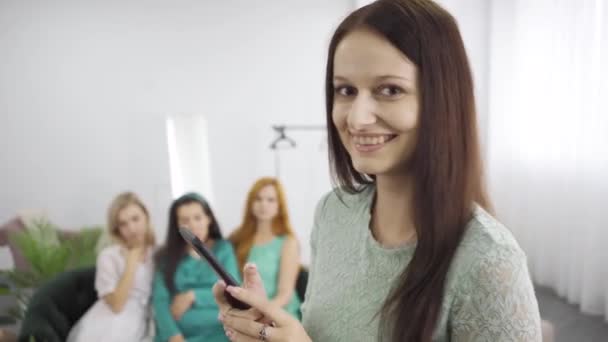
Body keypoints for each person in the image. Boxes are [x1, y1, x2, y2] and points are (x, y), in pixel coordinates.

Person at [213, 0, 542, 341]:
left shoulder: (488, 260)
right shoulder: (333, 213)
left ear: (442, 99)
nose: (356, 118)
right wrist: (267, 328)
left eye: (389, 90)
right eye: (346, 90)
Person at [67, 192, 156, 342]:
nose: (132, 228)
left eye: (135, 219)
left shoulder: (158, 254)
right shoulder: (109, 256)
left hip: (144, 322)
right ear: (117, 229)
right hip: (111, 323)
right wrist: (131, 263)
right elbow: (117, 305)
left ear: (146, 217)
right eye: (123, 224)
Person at [152, 193, 239, 342]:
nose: (192, 225)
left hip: (220, 332)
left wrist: (193, 296)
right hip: (178, 335)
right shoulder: (166, 257)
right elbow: (160, 302)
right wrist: (173, 336)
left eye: (198, 218)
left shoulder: (223, 250)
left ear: (208, 219)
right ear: (177, 225)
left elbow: (233, 290)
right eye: (185, 220)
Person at [229, 177, 301, 319]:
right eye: (258, 199)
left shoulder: (288, 243)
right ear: (251, 203)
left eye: (270, 200)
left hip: (278, 314)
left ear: (279, 206)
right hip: (245, 312)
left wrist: (261, 313)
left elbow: (284, 294)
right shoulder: (236, 239)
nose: (263, 204)